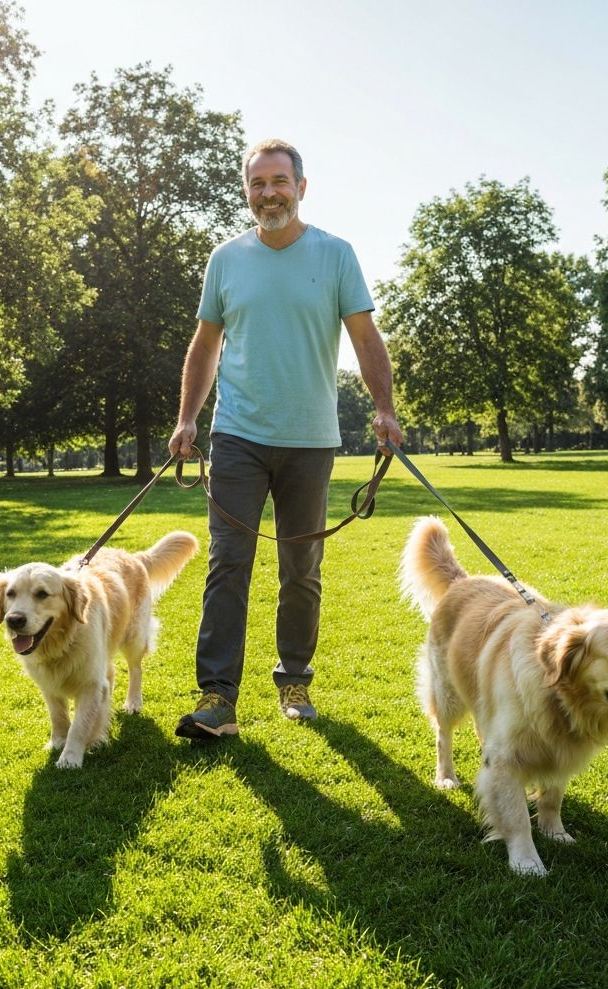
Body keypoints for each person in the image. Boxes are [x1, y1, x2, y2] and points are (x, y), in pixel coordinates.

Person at [168, 138, 403, 740]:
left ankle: (294, 679)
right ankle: (217, 698)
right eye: (257, 183)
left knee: (301, 567)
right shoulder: (225, 259)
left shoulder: (336, 255)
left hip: (310, 439)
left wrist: (384, 409)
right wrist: (188, 418)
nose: (268, 192)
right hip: (238, 435)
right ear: (247, 191)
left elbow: (365, 338)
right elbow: (205, 345)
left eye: (279, 181)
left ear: (302, 186)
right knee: (228, 564)